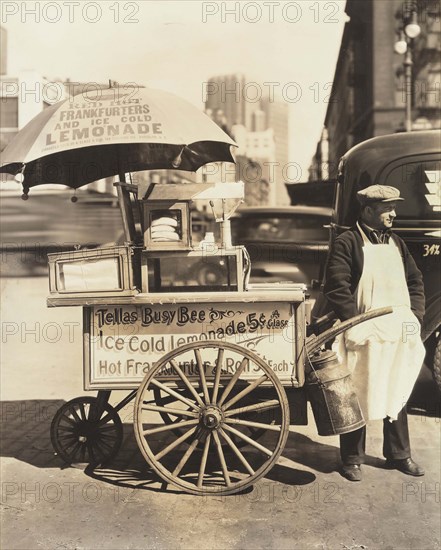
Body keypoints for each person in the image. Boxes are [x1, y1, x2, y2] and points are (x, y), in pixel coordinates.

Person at [323, 185, 426, 482]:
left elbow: (414, 281)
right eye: (387, 210)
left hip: (396, 330)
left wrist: (415, 316)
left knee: (398, 387)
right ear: (368, 211)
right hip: (363, 331)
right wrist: (355, 322)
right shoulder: (347, 242)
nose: (393, 214)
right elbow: (336, 286)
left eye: (394, 208)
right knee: (356, 390)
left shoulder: (397, 243)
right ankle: (352, 458)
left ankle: (399, 455)